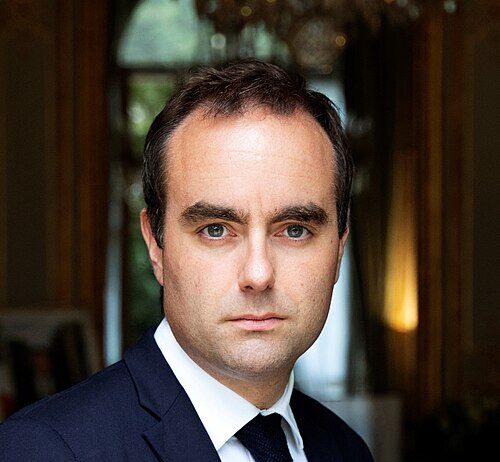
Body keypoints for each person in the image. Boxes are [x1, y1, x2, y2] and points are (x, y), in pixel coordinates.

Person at [0, 58, 373, 461]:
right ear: (155, 245)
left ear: (339, 247)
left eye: (295, 229)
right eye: (215, 229)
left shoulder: (346, 450)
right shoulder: (43, 450)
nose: (258, 273)